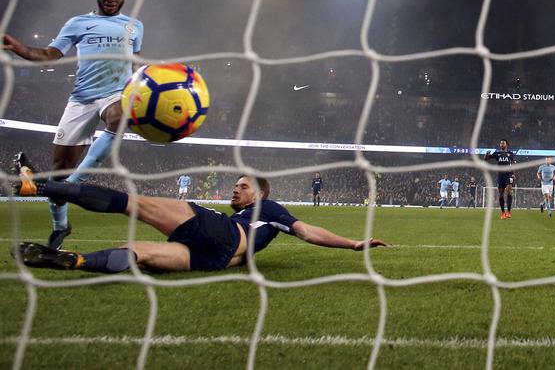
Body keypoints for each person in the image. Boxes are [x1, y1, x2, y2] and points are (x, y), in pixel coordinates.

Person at [11, 154, 385, 273]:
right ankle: (74, 261)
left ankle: (35, 186)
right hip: (217, 258)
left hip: (217, 233)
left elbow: (308, 231)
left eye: (243, 185)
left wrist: (352, 244)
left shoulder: (267, 208)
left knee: (133, 203)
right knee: (138, 253)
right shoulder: (257, 223)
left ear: (260, 191)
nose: (237, 189)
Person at [2, 0, 144, 250]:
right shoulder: (78, 23)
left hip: (115, 94)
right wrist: (18, 47)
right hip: (81, 100)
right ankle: (61, 226)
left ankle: (75, 182)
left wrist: (145, 89)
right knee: (58, 174)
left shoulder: (135, 26)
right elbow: (48, 55)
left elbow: (135, 64)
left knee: (119, 117)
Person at [484, 139, 516, 219]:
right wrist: (486, 154)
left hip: (508, 174)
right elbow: (486, 159)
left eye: (503, 143)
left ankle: (508, 212)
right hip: (500, 175)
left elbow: (512, 165)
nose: (501, 144)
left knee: (509, 191)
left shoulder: (510, 154)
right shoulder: (497, 153)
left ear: (506, 144)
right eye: (500, 143)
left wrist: (513, 174)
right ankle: (502, 212)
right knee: (501, 194)